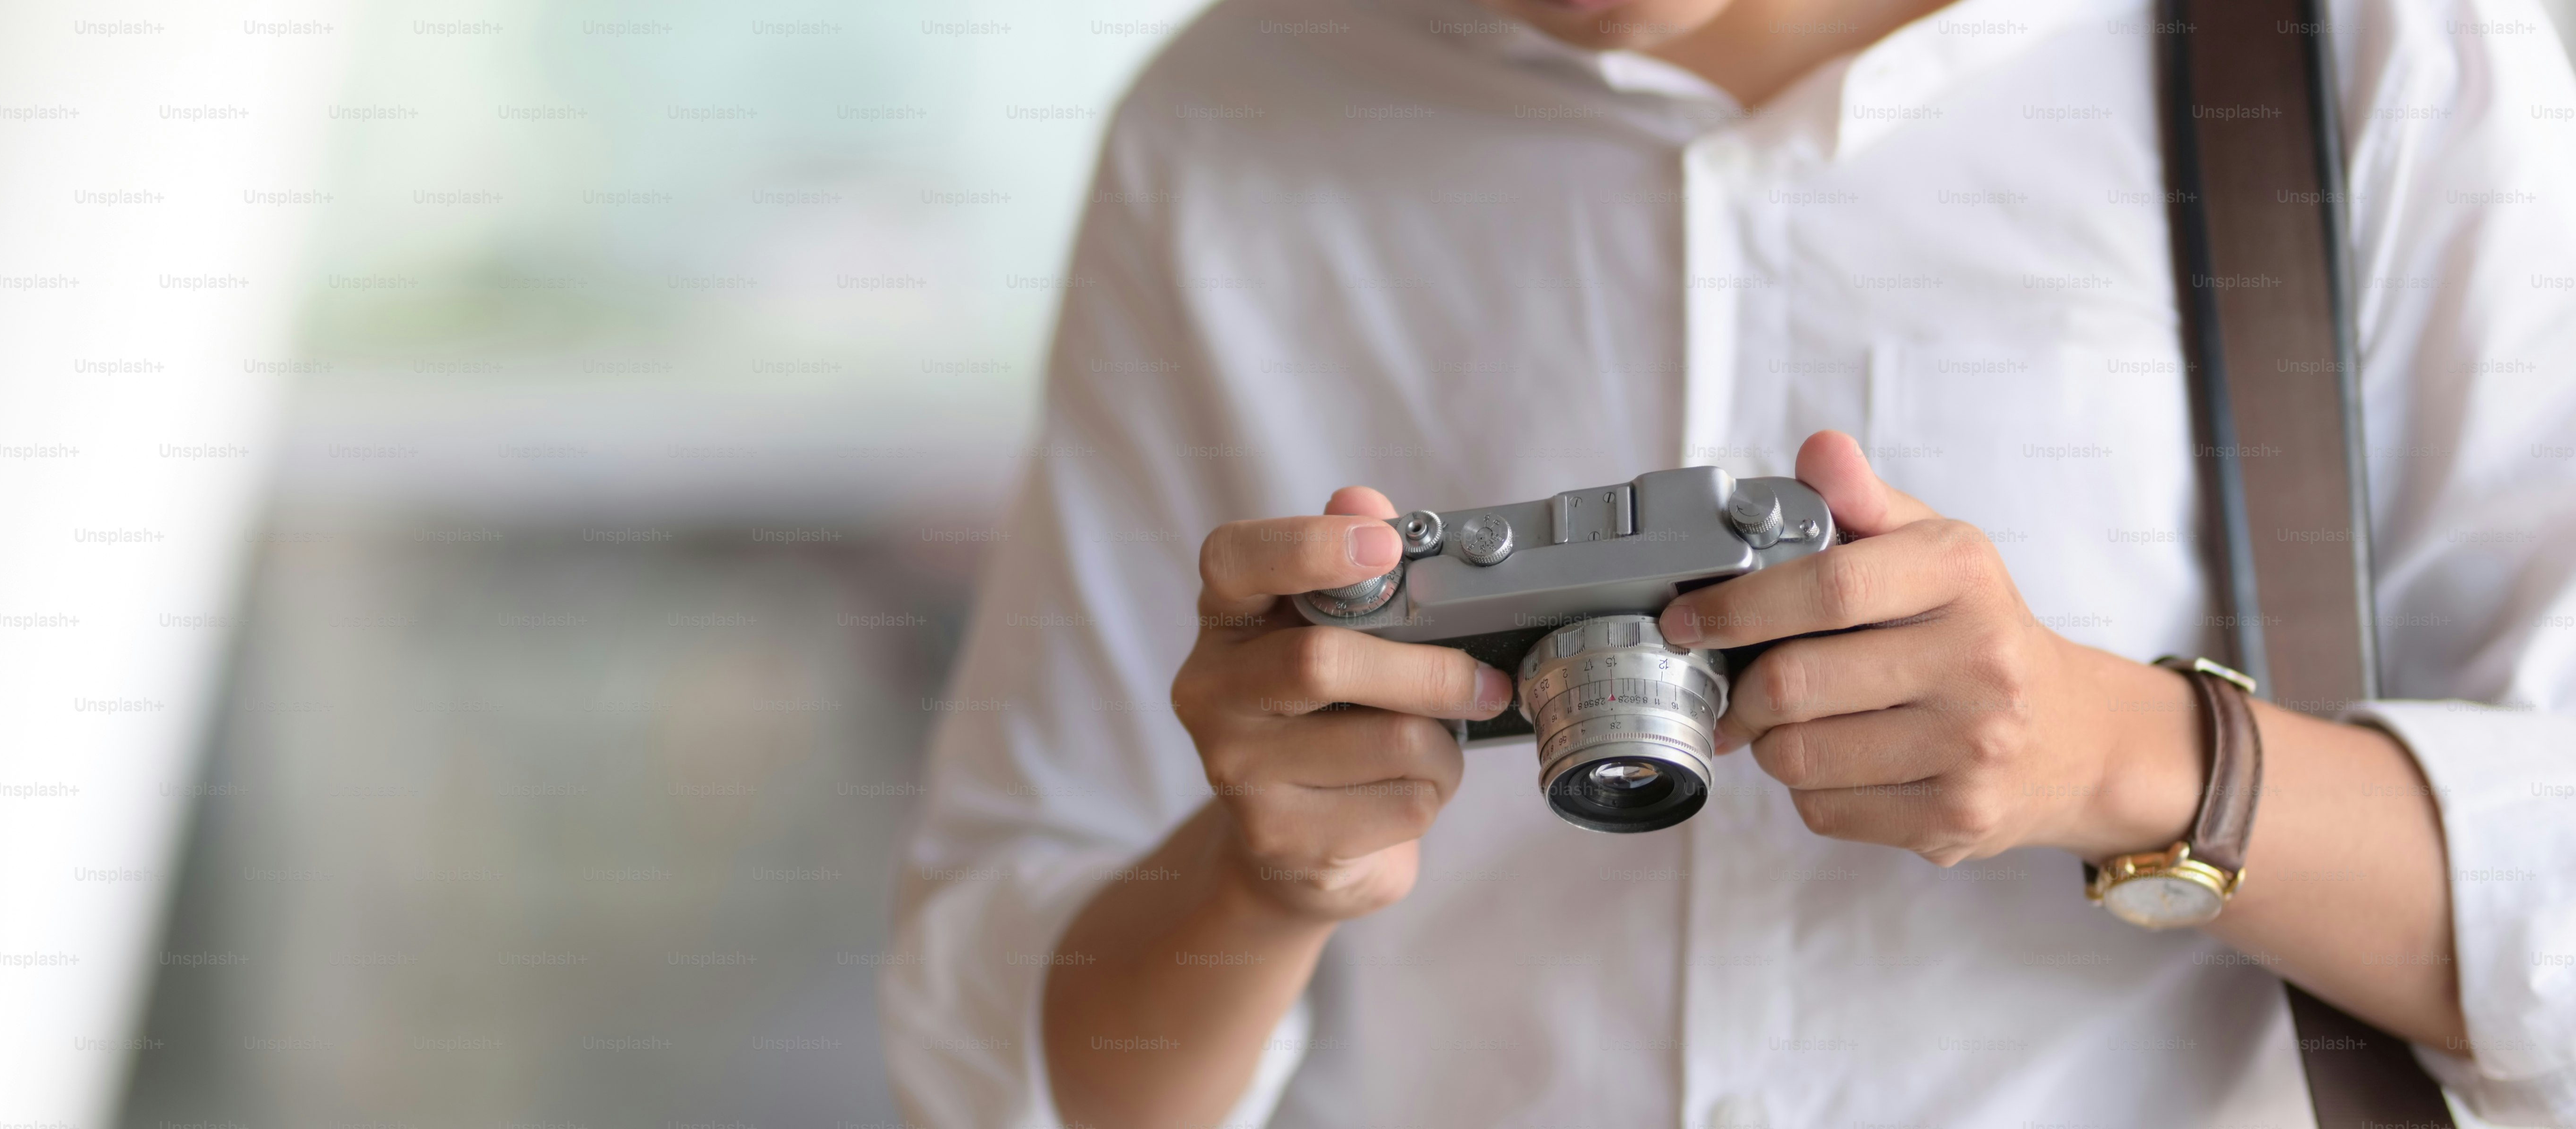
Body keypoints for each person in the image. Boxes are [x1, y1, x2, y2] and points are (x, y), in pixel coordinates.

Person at [880, 0, 2576, 1124]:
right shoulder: (1237, 119)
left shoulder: (2359, 61)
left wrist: (2116, 756)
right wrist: (1264, 882)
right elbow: (1016, 1061)